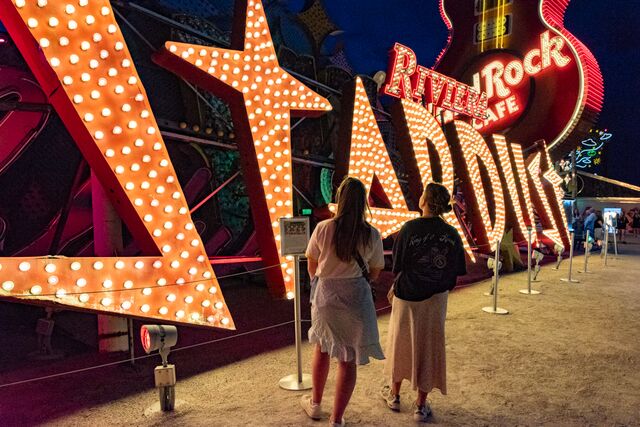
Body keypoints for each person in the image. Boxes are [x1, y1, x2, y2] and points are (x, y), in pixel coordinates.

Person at [301, 177, 385, 427]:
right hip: (356, 297)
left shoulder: (324, 227)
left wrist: (324, 281)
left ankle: (315, 405)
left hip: (326, 294)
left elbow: (312, 265)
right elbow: (376, 271)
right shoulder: (372, 234)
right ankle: (337, 419)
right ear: (363, 204)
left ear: (340, 199)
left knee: (322, 348)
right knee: (348, 359)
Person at [381, 182, 467, 422]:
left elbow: (397, 265)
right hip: (436, 298)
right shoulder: (451, 233)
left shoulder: (409, 228)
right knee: (430, 347)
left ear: (425, 201)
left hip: (407, 295)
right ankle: (421, 404)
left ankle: (395, 395)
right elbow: (457, 269)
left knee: (400, 344)